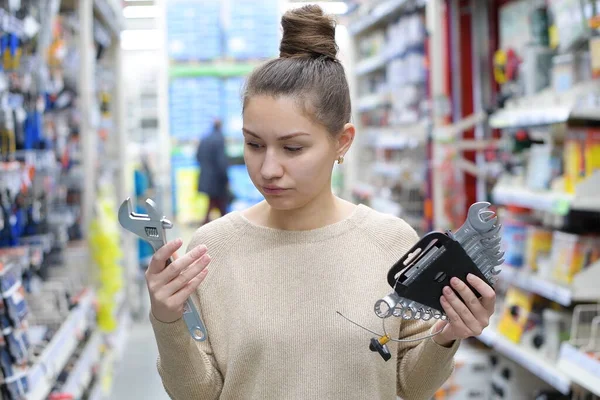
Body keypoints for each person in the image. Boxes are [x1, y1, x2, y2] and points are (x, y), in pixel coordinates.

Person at [145, 5, 496, 400]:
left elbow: (411, 386)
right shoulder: (213, 251)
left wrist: (448, 334)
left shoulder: (390, 242)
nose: (268, 168)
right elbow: (196, 394)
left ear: (342, 141)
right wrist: (167, 318)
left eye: (292, 148)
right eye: (253, 144)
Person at [196, 118, 230, 224]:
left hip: (206, 179)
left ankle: (207, 225)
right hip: (217, 181)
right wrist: (226, 179)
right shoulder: (220, 139)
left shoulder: (204, 139)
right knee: (220, 204)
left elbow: (197, 157)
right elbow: (221, 161)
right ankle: (226, 228)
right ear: (220, 126)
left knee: (212, 204)